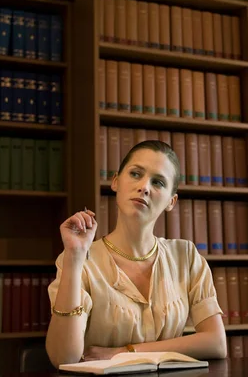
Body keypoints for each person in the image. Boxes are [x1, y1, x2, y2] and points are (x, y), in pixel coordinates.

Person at [45, 140, 226, 368]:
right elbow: (64, 358)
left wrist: (125, 352)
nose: (144, 187)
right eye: (135, 174)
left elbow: (216, 343)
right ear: (115, 181)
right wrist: (74, 256)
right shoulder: (80, 260)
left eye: (158, 182)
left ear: (171, 201)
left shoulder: (186, 257)